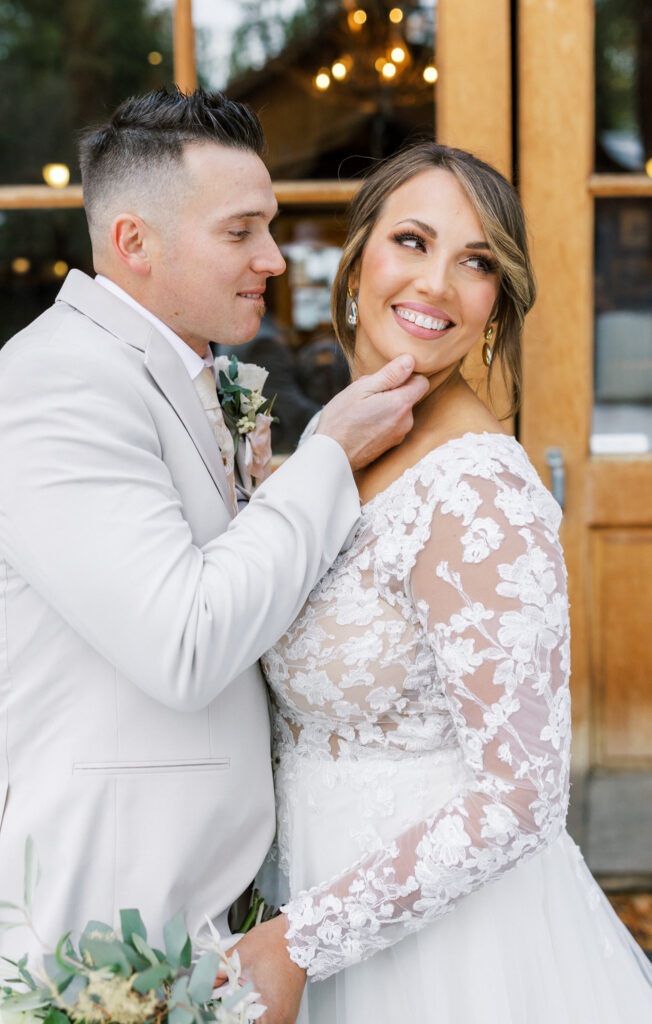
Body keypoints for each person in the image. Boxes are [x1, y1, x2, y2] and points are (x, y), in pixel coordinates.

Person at [0, 89, 429, 1022]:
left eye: (270, 227)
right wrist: (325, 456)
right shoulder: (59, 385)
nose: (273, 259)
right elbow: (185, 639)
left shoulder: (175, 371)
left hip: (205, 919)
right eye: (241, 231)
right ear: (135, 243)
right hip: (94, 929)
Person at [234, 142, 652, 1022]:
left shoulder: (478, 491)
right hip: (307, 909)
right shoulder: (333, 457)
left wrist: (301, 940)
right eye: (413, 242)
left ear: (496, 306)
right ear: (356, 267)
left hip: (453, 959)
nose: (436, 285)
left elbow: (521, 794)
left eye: (477, 263)